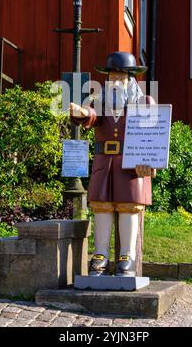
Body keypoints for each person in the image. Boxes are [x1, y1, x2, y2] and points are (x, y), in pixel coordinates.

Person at [69, 52, 156, 277]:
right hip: (104, 164)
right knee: (102, 207)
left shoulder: (144, 103)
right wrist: (81, 113)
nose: (115, 82)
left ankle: (126, 256)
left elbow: (154, 134)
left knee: (129, 207)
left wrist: (150, 161)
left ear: (131, 79)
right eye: (111, 78)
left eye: (120, 77)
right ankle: (100, 256)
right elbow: (91, 116)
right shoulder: (99, 102)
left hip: (132, 165)